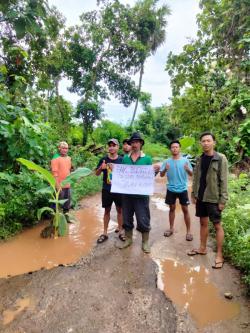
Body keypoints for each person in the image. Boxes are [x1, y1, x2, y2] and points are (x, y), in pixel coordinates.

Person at [188, 132, 228, 269]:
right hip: (201, 197)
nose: (205, 143)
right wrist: (193, 193)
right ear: (200, 143)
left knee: (217, 225)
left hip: (213, 198)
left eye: (208, 141)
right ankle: (202, 248)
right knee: (203, 222)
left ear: (214, 142)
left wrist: (223, 199)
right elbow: (196, 177)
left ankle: (219, 255)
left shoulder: (220, 159)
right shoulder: (199, 159)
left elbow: (224, 181)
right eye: (203, 141)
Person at [118, 132, 157, 253]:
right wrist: (115, 170)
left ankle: (145, 242)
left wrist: (155, 171)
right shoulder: (125, 158)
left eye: (136, 142)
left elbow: (149, 177)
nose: (134, 144)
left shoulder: (147, 159)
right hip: (127, 195)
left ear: (141, 143)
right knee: (127, 218)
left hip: (142, 196)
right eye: (132, 142)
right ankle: (128, 239)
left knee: (143, 218)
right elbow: (122, 175)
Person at [160, 140, 193, 241]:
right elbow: (161, 175)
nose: (174, 149)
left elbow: (191, 174)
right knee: (172, 209)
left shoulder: (185, 161)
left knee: (185, 210)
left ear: (180, 148)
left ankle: (188, 232)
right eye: (173, 147)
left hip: (182, 189)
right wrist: (165, 169)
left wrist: (187, 169)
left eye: (176, 147)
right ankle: (171, 229)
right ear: (170, 149)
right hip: (171, 189)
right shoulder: (166, 162)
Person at [95, 138, 124, 243]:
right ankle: (105, 232)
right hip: (106, 189)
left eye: (114, 145)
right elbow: (97, 174)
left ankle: (121, 231)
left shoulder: (122, 159)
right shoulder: (103, 159)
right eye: (110, 145)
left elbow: (126, 174)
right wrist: (101, 168)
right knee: (106, 210)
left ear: (117, 147)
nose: (111, 147)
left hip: (119, 189)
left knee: (120, 210)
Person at [51, 141, 72, 215]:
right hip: (59, 185)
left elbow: (68, 170)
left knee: (67, 203)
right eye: (63, 148)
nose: (65, 150)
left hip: (67, 184)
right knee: (57, 204)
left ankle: (66, 218)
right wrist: (57, 186)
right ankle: (54, 221)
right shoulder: (55, 158)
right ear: (59, 148)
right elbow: (54, 173)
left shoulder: (69, 158)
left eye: (66, 148)